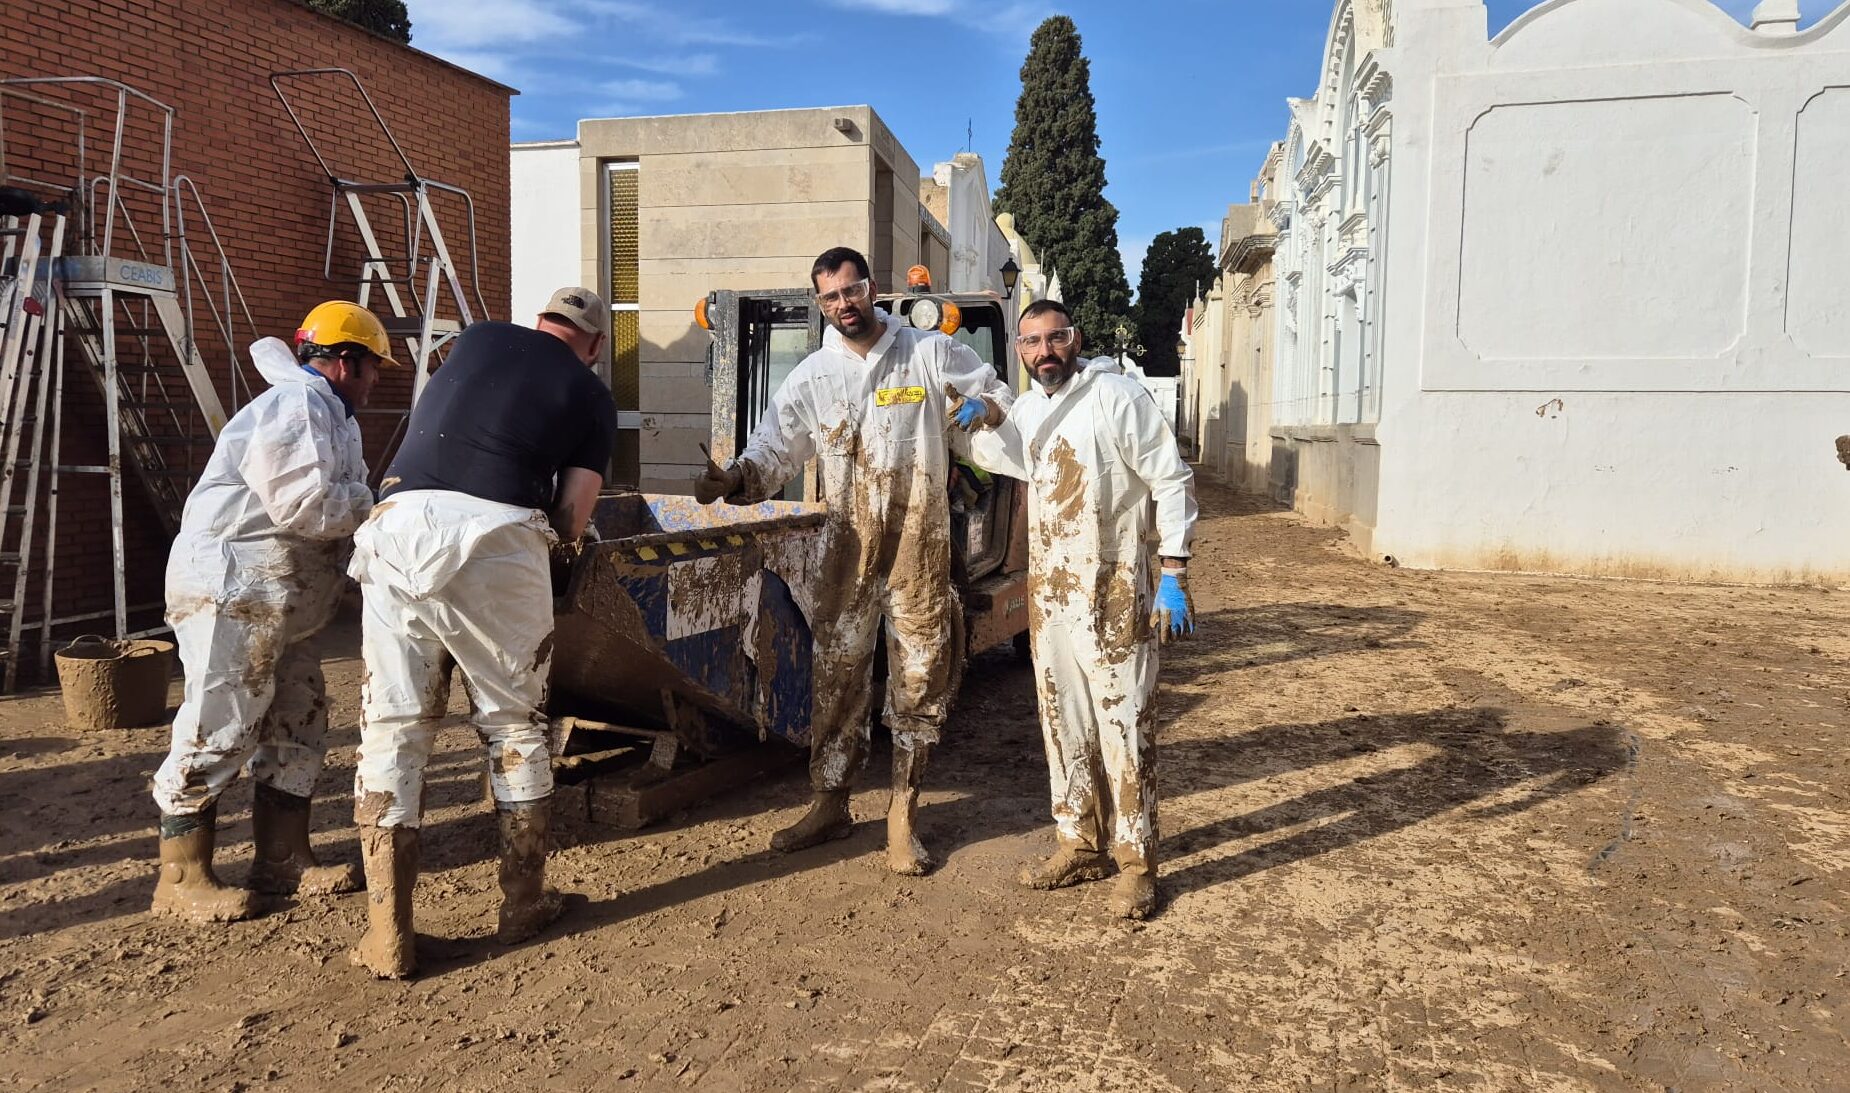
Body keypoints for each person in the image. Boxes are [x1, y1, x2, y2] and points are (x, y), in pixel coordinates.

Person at [695, 247, 1012, 875]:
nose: (845, 304)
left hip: (919, 547)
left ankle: (902, 813)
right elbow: (776, 443)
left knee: (919, 679)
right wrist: (734, 477)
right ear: (820, 304)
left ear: (871, 287)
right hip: (845, 549)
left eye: (853, 290)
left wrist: (987, 409)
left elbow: (994, 393)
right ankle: (831, 801)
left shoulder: (928, 351)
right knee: (836, 675)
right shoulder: (814, 373)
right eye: (831, 297)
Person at [346, 288, 616, 979]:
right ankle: (522, 903)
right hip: (494, 536)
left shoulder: (474, 341)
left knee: (392, 729)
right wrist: (556, 550)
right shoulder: (589, 392)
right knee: (516, 726)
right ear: (593, 343)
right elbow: (573, 517)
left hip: (395, 525)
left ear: (540, 323)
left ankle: (388, 936)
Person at [150, 301, 392, 923]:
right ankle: (181, 877)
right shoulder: (294, 407)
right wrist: (380, 510)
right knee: (220, 718)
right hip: (233, 590)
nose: (375, 381)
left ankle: (282, 859)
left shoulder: (334, 416)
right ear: (346, 361)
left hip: (280, 599)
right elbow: (306, 505)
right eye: (371, 368)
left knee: (300, 714)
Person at [955, 299, 1197, 919]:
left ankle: (1137, 860)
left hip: (1115, 586)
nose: (1045, 352)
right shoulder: (1031, 408)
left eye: (1054, 338)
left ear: (1075, 338)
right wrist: (979, 417)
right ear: (1020, 349)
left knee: (1124, 724)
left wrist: (1173, 572)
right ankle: (1078, 841)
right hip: (1053, 593)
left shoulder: (1116, 396)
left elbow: (1170, 480)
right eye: (1032, 342)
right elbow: (1006, 458)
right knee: (1061, 720)